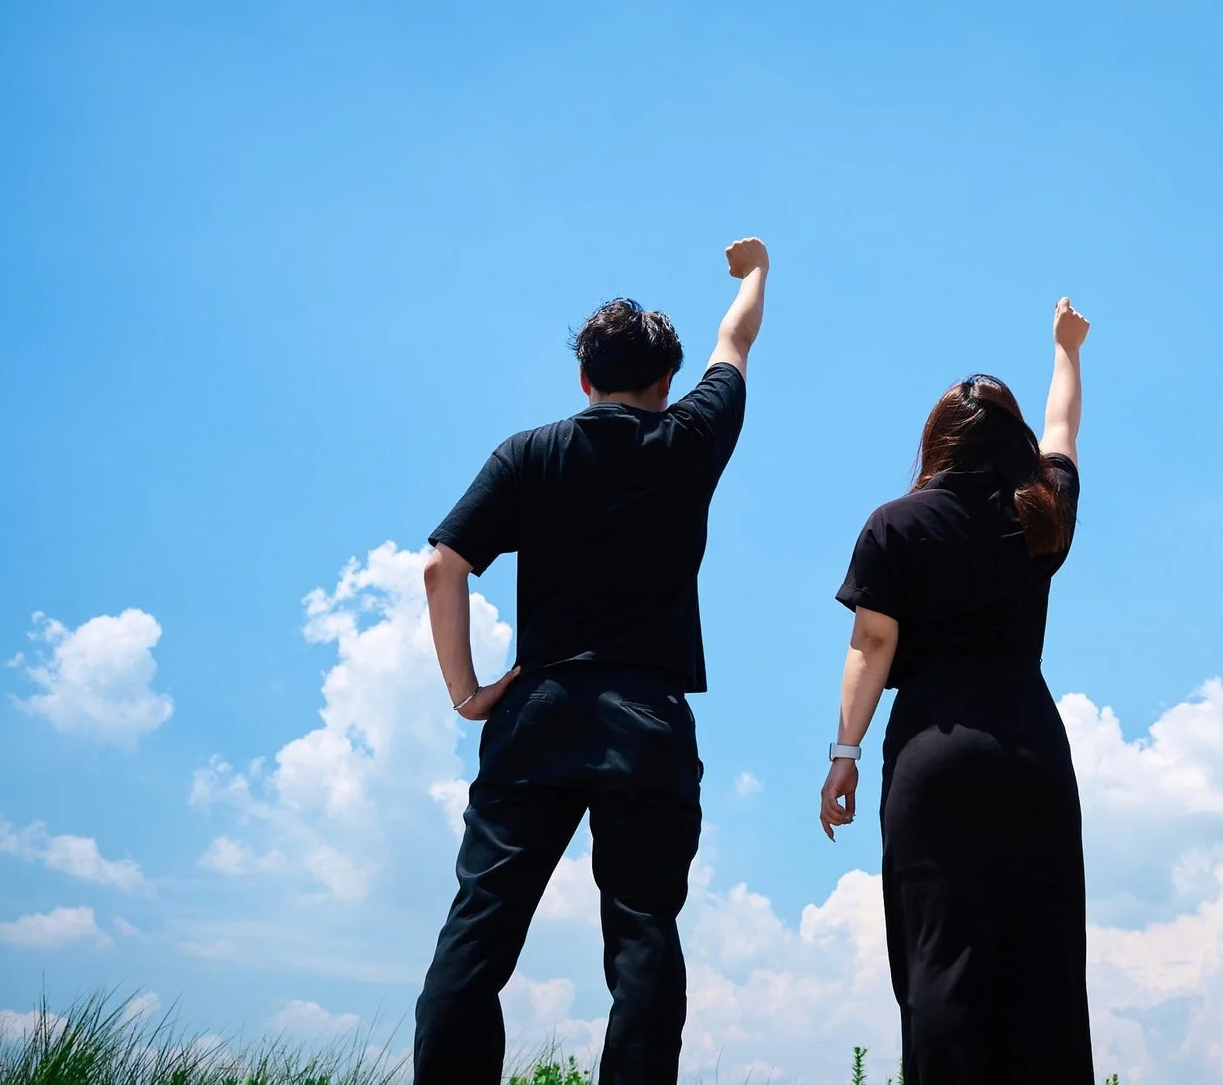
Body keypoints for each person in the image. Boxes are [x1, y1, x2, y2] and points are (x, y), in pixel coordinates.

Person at [412, 238, 770, 1085]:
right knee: (643, 934)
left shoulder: (528, 454)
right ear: (666, 384)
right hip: (644, 720)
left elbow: (441, 566)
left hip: (535, 714)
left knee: (481, 929)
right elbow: (738, 343)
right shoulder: (691, 437)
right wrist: (755, 271)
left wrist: (468, 694)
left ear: (583, 379)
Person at [818, 297, 1094, 1084]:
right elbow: (1065, 433)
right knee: (1043, 966)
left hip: (931, 754)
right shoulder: (1044, 518)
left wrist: (844, 755)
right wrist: (1066, 351)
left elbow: (871, 645)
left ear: (934, 441)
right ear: (1015, 445)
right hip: (1030, 747)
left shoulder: (893, 525)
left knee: (942, 961)